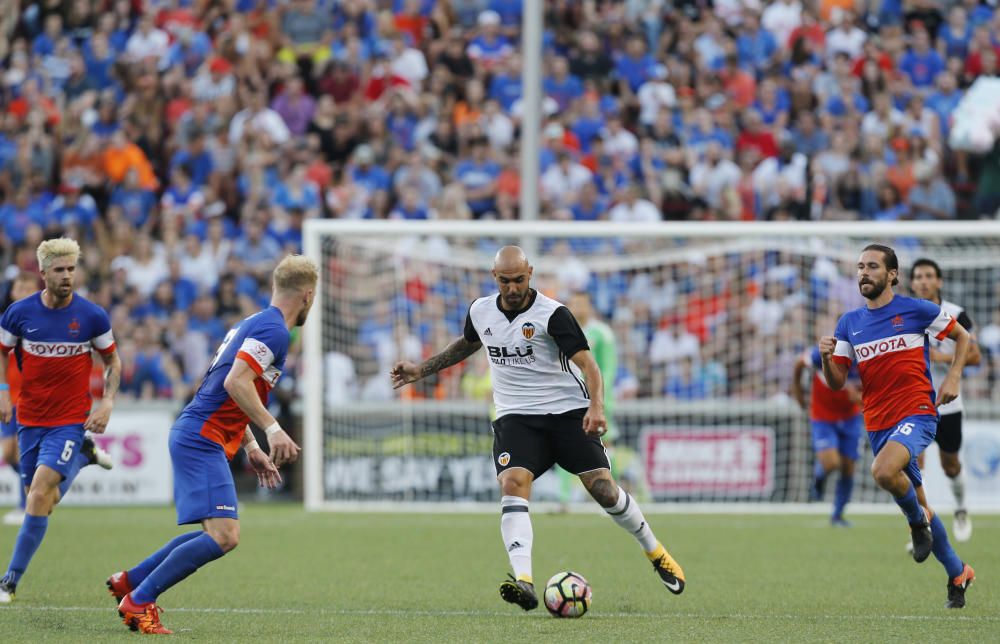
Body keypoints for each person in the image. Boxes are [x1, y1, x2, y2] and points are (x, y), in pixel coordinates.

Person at [391, 247, 684, 611]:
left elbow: (590, 366)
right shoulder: (480, 310)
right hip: (516, 417)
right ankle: (524, 581)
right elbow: (468, 343)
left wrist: (596, 407)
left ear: (530, 273)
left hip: (567, 413)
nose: (512, 288)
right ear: (493, 276)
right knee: (512, 482)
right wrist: (422, 369)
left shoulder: (553, 314)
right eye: (504, 280)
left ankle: (655, 552)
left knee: (603, 489)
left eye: (519, 279)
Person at [107, 254, 316, 634]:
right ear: (307, 295)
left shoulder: (252, 323)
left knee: (216, 532)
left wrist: (250, 445)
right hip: (200, 437)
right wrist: (272, 428)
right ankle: (138, 601)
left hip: (201, 433)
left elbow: (231, 388)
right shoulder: (275, 332)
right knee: (224, 535)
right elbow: (233, 384)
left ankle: (131, 580)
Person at [820, 244, 975, 609]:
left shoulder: (915, 309)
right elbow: (837, 381)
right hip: (878, 423)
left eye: (872, 266)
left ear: (892, 274)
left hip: (918, 412)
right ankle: (958, 572)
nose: (864, 273)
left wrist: (952, 379)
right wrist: (828, 358)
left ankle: (916, 526)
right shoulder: (849, 323)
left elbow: (963, 338)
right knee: (919, 501)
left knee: (883, 470)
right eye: (859, 267)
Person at [0, 239, 122, 603]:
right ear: (43, 273)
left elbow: (113, 361)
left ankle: (8, 581)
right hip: (29, 418)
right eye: (60, 270)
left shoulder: (92, 316)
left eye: (72, 269)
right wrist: (4, 391)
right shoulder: (18, 314)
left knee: (37, 494)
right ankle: (83, 458)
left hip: (69, 420)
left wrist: (108, 402)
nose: (67, 276)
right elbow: (2, 352)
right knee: (44, 501)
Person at [909, 258, 981, 542]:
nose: (924, 281)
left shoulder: (955, 314)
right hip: (914, 403)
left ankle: (961, 508)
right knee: (914, 463)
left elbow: (975, 356)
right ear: (912, 283)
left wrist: (939, 357)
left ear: (938, 281)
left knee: (950, 465)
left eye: (929, 276)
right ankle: (922, 524)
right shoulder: (904, 314)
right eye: (918, 276)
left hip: (948, 403)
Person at [791, 344, 863, 526]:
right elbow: (799, 364)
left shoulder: (867, 357)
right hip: (823, 416)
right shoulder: (822, 354)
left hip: (850, 417)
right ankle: (818, 479)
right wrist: (798, 393)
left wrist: (861, 398)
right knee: (831, 463)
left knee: (848, 467)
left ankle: (837, 515)